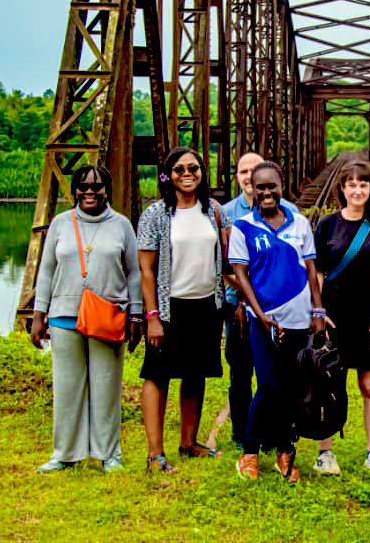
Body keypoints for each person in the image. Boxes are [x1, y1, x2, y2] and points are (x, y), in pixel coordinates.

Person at [31, 165, 142, 473]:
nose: (89, 192)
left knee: (106, 386)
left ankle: (109, 454)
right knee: (67, 387)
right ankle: (65, 454)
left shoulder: (121, 225)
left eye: (96, 186)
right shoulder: (60, 224)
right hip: (64, 315)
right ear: (75, 190)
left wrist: (136, 314)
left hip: (108, 314)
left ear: (107, 189)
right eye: (83, 186)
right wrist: (39, 314)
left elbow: (134, 273)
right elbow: (46, 270)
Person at [228, 161, 325, 483]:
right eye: (260, 187)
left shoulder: (299, 223)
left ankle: (286, 452)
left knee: (291, 389)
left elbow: (310, 269)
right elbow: (240, 275)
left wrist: (318, 310)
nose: (266, 193)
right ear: (252, 190)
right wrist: (260, 313)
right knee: (268, 385)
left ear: (281, 186)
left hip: (299, 320)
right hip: (264, 320)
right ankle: (250, 452)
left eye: (272, 186)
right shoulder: (243, 227)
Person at [136, 147, 226, 473]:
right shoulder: (156, 214)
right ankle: (154, 453)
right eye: (179, 169)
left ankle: (189, 443)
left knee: (195, 373)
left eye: (194, 168)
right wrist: (152, 317)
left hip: (206, 306)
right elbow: (146, 270)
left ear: (202, 172)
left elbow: (227, 258)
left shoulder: (213, 211)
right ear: (168, 175)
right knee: (157, 375)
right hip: (169, 307)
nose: (187, 174)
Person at [314, 160, 370, 475]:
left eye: (363, 185)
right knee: (328, 384)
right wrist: (318, 313)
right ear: (342, 189)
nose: (357, 190)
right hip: (334, 316)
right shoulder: (327, 225)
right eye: (351, 184)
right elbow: (319, 273)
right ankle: (325, 453)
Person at [219, 152, 299, 452]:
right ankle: (242, 434)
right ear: (240, 177)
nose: (249, 177)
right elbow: (226, 265)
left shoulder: (290, 212)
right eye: (243, 171)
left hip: (279, 310)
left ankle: (276, 434)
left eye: (254, 170)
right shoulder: (226, 212)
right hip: (238, 306)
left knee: (276, 375)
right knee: (240, 371)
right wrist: (246, 298)